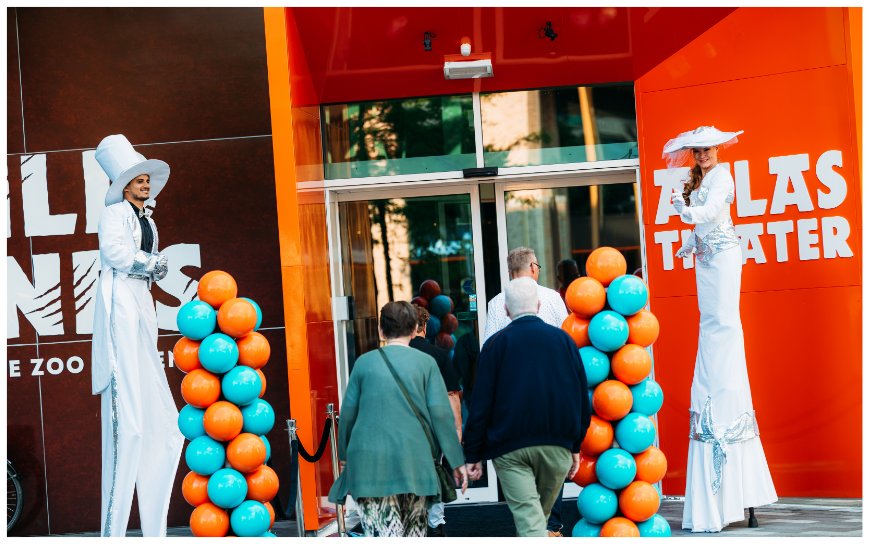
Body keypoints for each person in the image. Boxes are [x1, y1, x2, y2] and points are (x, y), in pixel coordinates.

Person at [664, 126, 778, 533]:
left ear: (717, 149)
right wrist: (689, 244)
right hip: (707, 261)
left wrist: (683, 209)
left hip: (725, 258)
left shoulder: (723, 175)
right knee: (709, 325)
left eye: (707, 150)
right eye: (697, 151)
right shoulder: (699, 178)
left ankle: (723, 365)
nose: (703, 155)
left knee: (724, 325)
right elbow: (702, 227)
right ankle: (716, 367)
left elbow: (711, 215)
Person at [91, 134, 183, 537]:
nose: (146, 184)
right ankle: (114, 531)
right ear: (124, 185)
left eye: (147, 179)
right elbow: (116, 254)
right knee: (126, 417)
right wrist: (152, 264)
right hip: (122, 298)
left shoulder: (147, 218)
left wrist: (152, 266)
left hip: (142, 300)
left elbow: (146, 262)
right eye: (139, 179)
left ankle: (153, 530)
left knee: (160, 419)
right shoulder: (114, 215)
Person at [328, 301, 469, 537]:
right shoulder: (428, 363)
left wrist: (343, 458)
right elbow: (441, 414)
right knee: (414, 532)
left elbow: (348, 414)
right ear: (415, 329)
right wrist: (456, 461)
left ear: (381, 331)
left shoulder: (363, 363)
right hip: (416, 464)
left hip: (369, 465)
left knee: (381, 532)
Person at [463, 277, 591, 537]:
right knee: (537, 521)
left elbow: (481, 404)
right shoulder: (564, 341)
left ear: (507, 310)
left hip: (510, 450)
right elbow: (580, 396)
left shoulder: (495, 345)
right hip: (557, 447)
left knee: (531, 522)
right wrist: (576, 446)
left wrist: (473, 455)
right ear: (540, 304)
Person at [482, 247, 570, 535]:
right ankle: (552, 526)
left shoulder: (497, 303)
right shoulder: (554, 299)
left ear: (510, 272)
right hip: (550, 395)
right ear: (533, 267)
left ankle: (530, 527)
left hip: (512, 400)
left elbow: (488, 351)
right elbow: (569, 342)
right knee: (550, 461)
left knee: (520, 466)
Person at [409, 305, 462, 537]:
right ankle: (436, 524)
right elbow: (452, 395)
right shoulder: (438, 355)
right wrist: (457, 429)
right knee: (434, 469)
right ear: (424, 327)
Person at [482, 247, 568, 344]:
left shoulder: (495, 303)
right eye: (538, 267)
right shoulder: (553, 297)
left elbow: (488, 344)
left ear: (510, 273)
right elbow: (566, 334)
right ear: (533, 267)